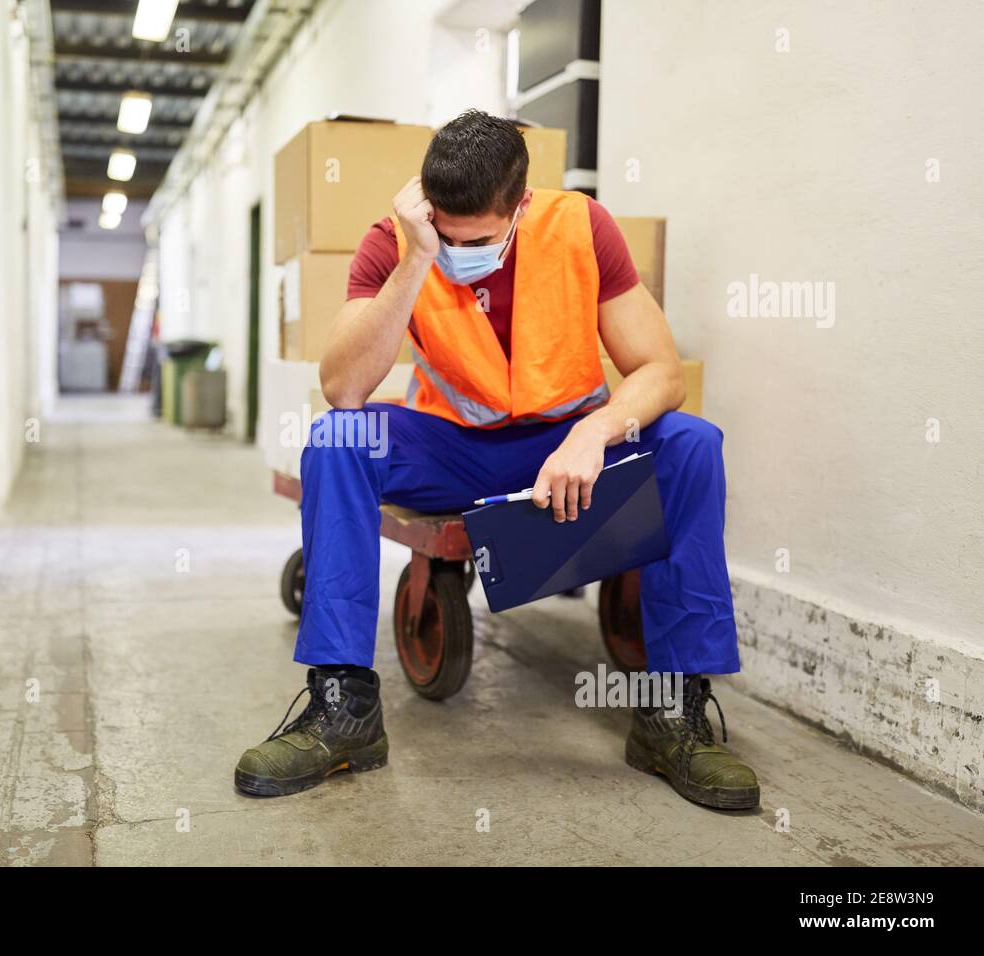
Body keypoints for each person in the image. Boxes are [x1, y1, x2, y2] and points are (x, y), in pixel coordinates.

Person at [235, 110, 758, 811]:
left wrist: (595, 432)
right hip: (452, 446)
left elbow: (660, 371)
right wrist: (416, 256)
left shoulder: (581, 228)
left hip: (563, 441)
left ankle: (671, 716)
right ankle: (344, 709)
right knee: (336, 441)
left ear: (519, 206)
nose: (457, 251)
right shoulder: (393, 242)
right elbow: (344, 389)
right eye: (443, 236)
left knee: (694, 443)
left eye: (473, 241)